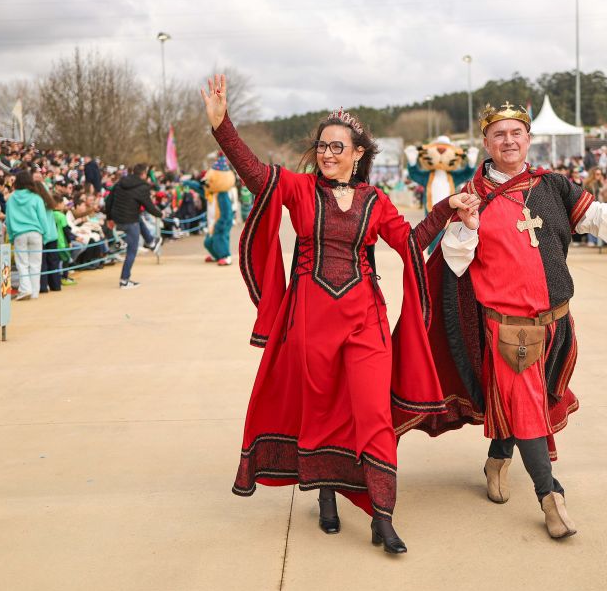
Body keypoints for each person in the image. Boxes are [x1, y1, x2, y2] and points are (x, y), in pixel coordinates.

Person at [202, 74, 480, 554]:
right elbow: (254, 173)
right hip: (309, 319)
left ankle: (382, 515)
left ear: (358, 153)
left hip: (365, 319)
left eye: (337, 147)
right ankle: (326, 494)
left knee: (373, 412)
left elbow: (411, 242)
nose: (327, 154)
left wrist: (446, 209)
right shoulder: (298, 189)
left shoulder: (375, 201)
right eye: (322, 146)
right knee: (321, 409)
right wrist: (222, 126)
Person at [407, 101, 607, 540]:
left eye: (516, 133)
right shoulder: (471, 195)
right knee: (525, 404)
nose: (509, 141)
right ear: (486, 143)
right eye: (499, 134)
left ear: (528, 139)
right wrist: (467, 226)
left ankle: (498, 458)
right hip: (509, 330)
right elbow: (455, 262)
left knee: (527, 402)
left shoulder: (552, 184)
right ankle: (550, 497)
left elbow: (594, 215)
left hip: (558, 322)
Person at [106, 163, 162, 289]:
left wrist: (109, 218)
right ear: (144, 174)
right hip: (130, 221)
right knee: (132, 251)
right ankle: (124, 280)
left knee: (139, 218)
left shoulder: (120, 182)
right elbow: (148, 205)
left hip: (118, 218)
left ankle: (151, 242)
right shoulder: (143, 187)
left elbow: (109, 200)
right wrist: (160, 214)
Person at [5, 170, 55, 301]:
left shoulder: (11, 199)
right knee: (36, 264)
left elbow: (8, 220)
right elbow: (43, 218)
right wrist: (45, 234)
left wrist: (11, 236)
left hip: (19, 234)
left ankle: (25, 289)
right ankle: (34, 292)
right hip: (36, 233)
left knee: (22, 264)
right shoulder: (36, 198)